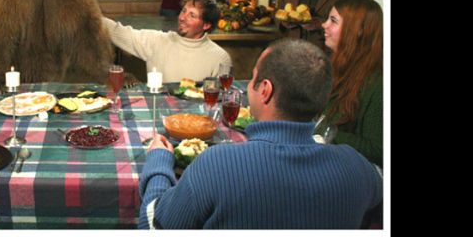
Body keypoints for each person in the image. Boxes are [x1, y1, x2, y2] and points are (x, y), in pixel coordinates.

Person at [138, 38, 382, 229]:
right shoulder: (359, 168)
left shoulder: (216, 165)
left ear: (265, 90)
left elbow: (153, 225)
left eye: (253, 77)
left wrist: (158, 162)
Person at [103, 0, 231, 83]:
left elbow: (219, 99)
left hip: (196, 118)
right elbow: (117, 31)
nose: (182, 18)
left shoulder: (219, 58)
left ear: (206, 25)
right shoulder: (157, 42)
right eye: (183, 11)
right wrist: (89, 15)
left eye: (192, 15)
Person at [317, 0, 383, 166]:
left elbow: (378, 151)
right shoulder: (337, 67)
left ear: (357, 30)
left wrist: (325, 129)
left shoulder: (378, 84)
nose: (324, 25)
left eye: (333, 20)